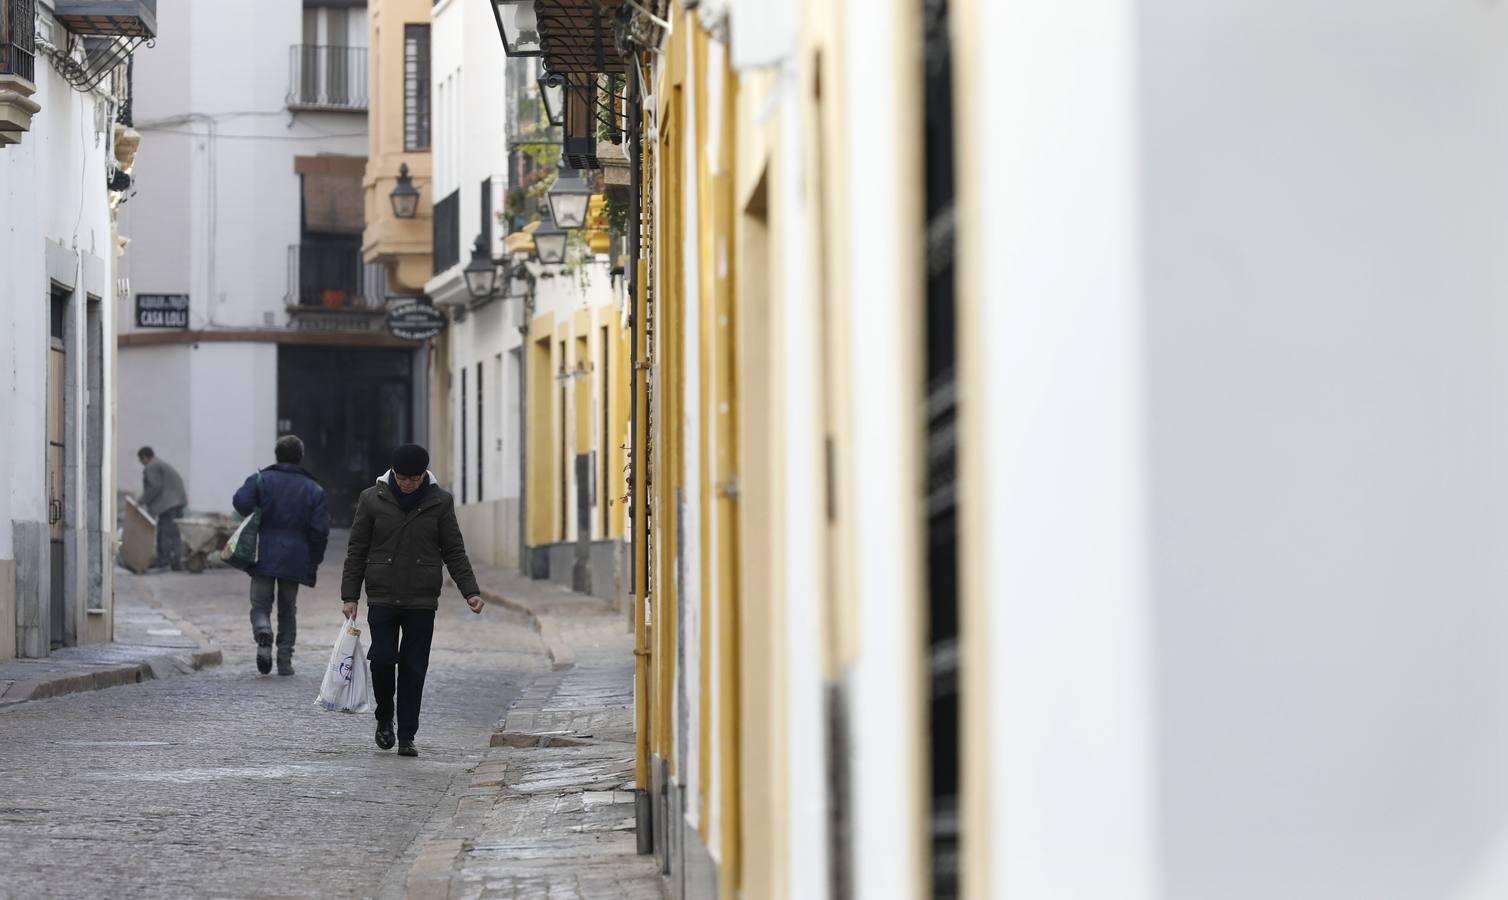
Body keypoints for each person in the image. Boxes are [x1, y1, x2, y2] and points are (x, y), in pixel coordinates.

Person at [341, 444, 484, 757]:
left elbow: (454, 550)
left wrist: (470, 591)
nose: (408, 483)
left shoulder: (440, 501)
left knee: (413, 667)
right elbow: (357, 550)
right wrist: (350, 596)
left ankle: (407, 734)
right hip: (381, 594)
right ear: (393, 473)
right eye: (403, 478)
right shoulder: (371, 499)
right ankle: (384, 719)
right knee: (381, 659)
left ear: (424, 476)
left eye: (414, 478)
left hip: (421, 598)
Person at [232, 435, 330, 676]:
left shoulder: (262, 480)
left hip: (263, 552)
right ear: (301, 457)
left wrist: (259, 508)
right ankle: (284, 659)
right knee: (288, 609)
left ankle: (263, 630)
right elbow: (320, 531)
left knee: (260, 604)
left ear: (276, 455)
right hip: (295, 556)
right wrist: (314, 560)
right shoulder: (313, 489)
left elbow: (240, 502)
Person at [137, 446, 188, 572]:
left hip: (168, 505)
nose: (141, 464)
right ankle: (177, 562)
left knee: (165, 533)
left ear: (144, 457)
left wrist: (141, 502)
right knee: (174, 534)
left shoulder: (152, 466)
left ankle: (164, 562)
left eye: (141, 460)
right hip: (177, 502)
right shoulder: (160, 463)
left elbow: (154, 487)